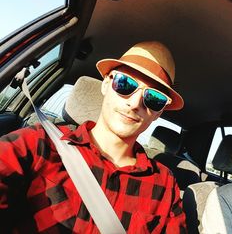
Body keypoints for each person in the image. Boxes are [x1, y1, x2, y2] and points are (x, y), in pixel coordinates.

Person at [0, 41, 187, 233]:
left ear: (158, 112)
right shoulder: (39, 143)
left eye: (154, 98)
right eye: (125, 84)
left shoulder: (164, 185)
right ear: (106, 84)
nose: (134, 103)